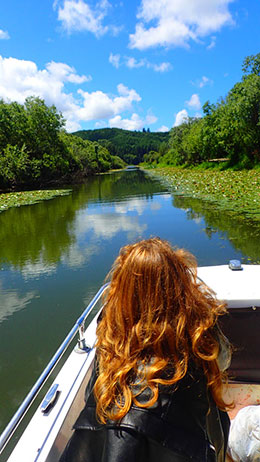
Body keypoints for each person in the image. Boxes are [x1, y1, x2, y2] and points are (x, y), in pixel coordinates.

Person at [61, 238, 231, 462]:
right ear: (178, 283)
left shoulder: (109, 336)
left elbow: (89, 395)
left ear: (122, 289)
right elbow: (223, 361)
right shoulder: (200, 328)